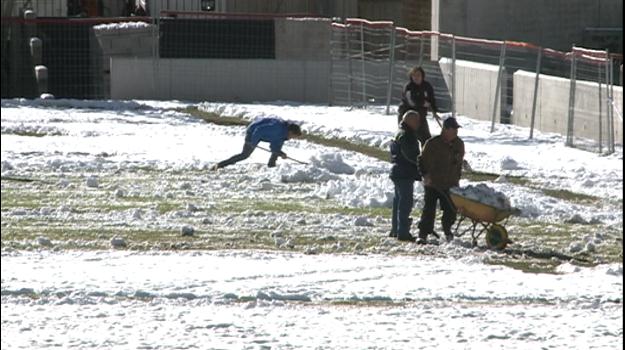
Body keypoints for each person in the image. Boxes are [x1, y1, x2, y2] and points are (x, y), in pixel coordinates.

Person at [417, 117, 464, 244]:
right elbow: (421, 161)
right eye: (453, 130)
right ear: (445, 129)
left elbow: (458, 163)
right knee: (429, 209)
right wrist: (426, 175)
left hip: (450, 184)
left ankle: (447, 231)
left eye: (456, 130)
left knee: (451, 210)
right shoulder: (432, 143)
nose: (455, 132)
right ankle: (423, 234)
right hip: (433, 183)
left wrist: (457, 178)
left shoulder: (459, 144)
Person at [212, 118, 302, 170]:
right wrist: (253, 142)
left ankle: (271, 165)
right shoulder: (277, 128)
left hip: (264, 135)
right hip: (253, 132)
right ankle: (220, 165)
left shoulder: (282, 136)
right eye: (293, 136)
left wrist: (281, 153)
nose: (292, 138)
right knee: (245, 154)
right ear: (290, 132)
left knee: (278, 148)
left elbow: (274, 147)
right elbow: (258, 130)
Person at [389, 111, 423, 242]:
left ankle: (395, 229)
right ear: (410, 121)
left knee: (398, 201)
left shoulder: (400, 132)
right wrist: (421, 163)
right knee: (405, 202)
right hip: (404, 172)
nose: (419, 124)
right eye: (417, 121)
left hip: (398, 171)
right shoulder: (406, 135)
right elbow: (410, 155)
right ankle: (402, 232)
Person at [397, 66, 440, 146]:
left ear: (422, 76)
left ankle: (425, 157)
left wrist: (434, 111)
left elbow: (432, 99)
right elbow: (411, 101)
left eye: (418, 75)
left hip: (421, 117)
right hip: (407, 118)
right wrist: (422, 103)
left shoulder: (427, 86)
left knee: (426, 140)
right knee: (408, 140)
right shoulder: (408, 87)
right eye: (414, 75)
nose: (416, 77)